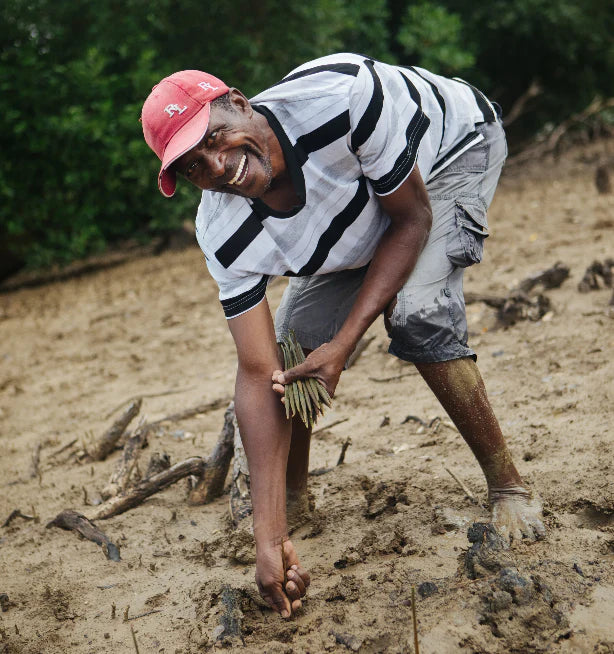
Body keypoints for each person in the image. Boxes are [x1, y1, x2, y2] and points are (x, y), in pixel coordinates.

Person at [140, 53, 545, 619]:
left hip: (450, 152)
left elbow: (411, 220)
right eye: (193, 166)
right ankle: (293, 502)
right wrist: (268, 538)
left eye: (214, 137)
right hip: (369, 205)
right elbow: (257, 372)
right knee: (290, 348)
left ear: (239, 103)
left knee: (415, 312)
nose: (217, 165)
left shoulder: (340, 99)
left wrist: (346, 341)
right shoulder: (221, 229)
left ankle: (509, 487)